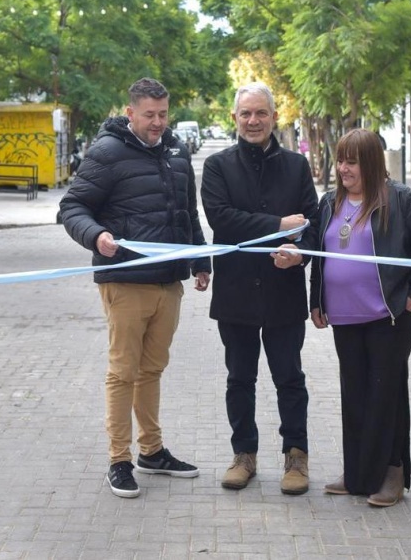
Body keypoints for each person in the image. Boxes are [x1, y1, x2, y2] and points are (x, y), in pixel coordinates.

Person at [59, 77, 211, 499]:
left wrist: (201, 261)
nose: (158, 122)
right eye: (149, 115)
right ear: (130, 113)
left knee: (152, 369)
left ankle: (152, 451)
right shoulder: (106, 152)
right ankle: (119, 460)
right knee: (123, 372)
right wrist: (96, 237)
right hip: (124, 280)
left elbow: (187, 213)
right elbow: (72, 207)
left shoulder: (177, 152)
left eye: (163, 114)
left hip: (169, 282)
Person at [309, 128, 411, 507]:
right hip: (345, 318)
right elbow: (321, 254)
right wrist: (316, 299)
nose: (343, 168)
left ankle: (392, 473)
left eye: (351, 161)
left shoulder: (402, 200)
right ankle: (358, 475)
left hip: (390, 317)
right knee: (356, 396)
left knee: (385, 393)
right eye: (340, 160)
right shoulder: (329, 201)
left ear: (370, 162)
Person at [201, 82, 319, 494]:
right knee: (240, 379)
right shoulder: (217, 166)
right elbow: (222, 219)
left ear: (274, 117)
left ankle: (296, 457)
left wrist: (299, 252)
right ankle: (244, 455)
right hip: (235, 293)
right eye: (246, 114)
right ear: (234, 118)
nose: (253, 121)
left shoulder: (296, 166)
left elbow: (312, 224)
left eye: (261, 113)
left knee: (290, 378)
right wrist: (278, 227)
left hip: (284, 290)